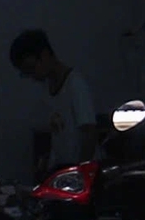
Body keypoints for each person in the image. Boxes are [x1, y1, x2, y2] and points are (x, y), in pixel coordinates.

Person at [9, 29, 99, 173]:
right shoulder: (47, 87)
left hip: (78, 169)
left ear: (44, 56)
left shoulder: (75, 84)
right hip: (62, 167)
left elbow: (89, 132)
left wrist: (81, 171)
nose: (32, 75)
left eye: (31, 68)